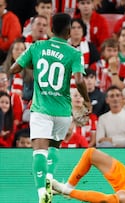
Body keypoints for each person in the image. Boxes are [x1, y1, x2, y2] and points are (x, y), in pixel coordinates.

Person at [9, 13, 91, 203]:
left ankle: (42, 194)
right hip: (63, 112)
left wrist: (35, 63)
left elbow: (14, 68)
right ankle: (49, 181)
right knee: (54, 147)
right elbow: (79, 80)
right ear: (69, 31)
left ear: (50, 29)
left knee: (39, 151)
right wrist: (86, 100)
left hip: (41, 109)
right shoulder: (74, 53)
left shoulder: (37, 46)